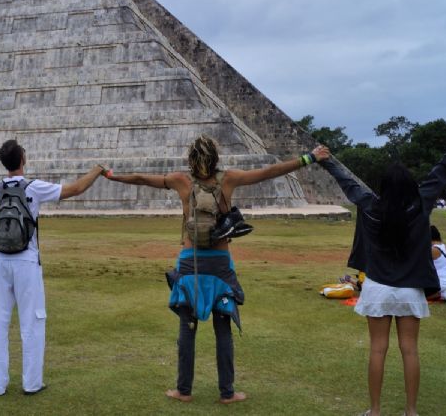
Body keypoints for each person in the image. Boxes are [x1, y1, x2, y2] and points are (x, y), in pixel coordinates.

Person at [104, 135, 327, 404]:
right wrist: (309, 157)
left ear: (191, 158)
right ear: (216, 157)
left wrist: (113, 176)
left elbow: (141, 178)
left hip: (190, 262)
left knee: (187, 328)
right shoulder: (228, 179)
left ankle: (183, 390)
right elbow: (269, 172)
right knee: (223, 330)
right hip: (221, 264)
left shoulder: (180, 181)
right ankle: (227, 392)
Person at [318, 129, 446, 416]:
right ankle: (411, 411)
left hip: (377, 287)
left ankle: (375, 411)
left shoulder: (370, 206)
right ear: (409, 186)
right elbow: (439, 175)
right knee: (410, 350)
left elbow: (348, 183)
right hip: (409, 289)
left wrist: (327, 161)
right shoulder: (420, 204)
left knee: (378, 349)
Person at [0, 139, 104, 396]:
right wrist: (97, 170)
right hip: (26, 261)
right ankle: (31, 382)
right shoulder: (34, 187)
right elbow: (75, 189)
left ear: (4, 163)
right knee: (32, 322)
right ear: (23, 159)